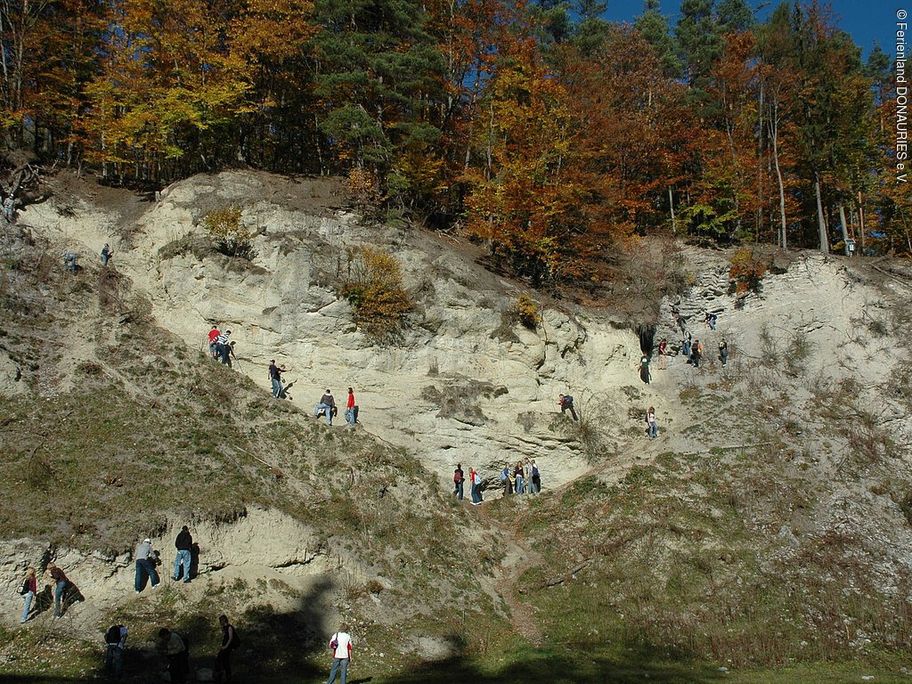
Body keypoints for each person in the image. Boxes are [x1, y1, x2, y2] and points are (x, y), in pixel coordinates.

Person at [214, 614, 238, 683]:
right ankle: (223, 675)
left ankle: (226, 676)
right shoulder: (225, 628)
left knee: (224, 661)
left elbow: (230, 638)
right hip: (225, 647)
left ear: (223, 621)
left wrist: (226, 646)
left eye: (221, 621)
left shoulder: (229, 627)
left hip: (227, 648)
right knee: (222, 660)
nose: (220, 623)